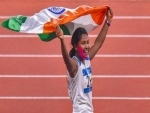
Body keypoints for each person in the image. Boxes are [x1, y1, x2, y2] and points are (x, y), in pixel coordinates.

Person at [55, 8, 113, 113]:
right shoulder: (74, 66)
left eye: (87, 42)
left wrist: (108, 21)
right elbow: (66, 59)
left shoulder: (86, 59)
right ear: (76, 46)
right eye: (83, 43)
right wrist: (62, 40)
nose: (87, 46)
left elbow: (98, 43)